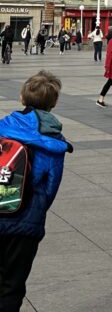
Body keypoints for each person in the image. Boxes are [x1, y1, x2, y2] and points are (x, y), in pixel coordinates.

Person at [0, 71, 72, 311]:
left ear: (22, 98)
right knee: (12, 286)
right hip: (25, 222)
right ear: (54, 102)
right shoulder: (53, 139)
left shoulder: (3, 127)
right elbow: (51, 187)